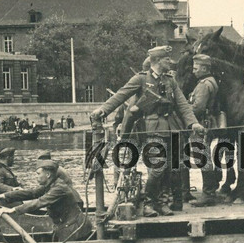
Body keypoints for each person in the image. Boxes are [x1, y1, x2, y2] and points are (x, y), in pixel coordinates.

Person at [90, 45, 204, 217]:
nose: (170, 62)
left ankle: (163, 202)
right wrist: (103, 110)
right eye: (167, 59)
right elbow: (121, 95)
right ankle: (149, 202)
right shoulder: (141, 79)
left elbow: (182, 105)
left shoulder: (170, 80)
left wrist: (193, 124)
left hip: (172, 129)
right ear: (157, 61)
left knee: (170, 169)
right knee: (157, 168)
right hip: (153, 129)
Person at [0, 160, 89, 242]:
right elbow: (30, 193)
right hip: (65, 226)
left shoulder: (59, 188)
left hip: (75, 228)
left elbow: (39, 202)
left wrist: (12, 210)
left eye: (38, 174)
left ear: (47, 175)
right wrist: (2, 196)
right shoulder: (49, 185)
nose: (36, 177)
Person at [188, 54, 224, 207]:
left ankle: (208, 194)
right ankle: (211, 190)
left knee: (202, 158)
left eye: (196, 68)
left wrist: (183, 113)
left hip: (201, 125)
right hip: (207, 123)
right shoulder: (211, 81)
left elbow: (198, 108)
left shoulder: (204, 84)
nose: (193, 71)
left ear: (204, 68)